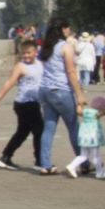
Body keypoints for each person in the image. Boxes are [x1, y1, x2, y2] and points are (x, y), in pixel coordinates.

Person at [33, 17, 86, 177]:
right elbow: (70, 72)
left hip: (45, 90)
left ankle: (46, 164)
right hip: (61, 91)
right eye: (68, 27)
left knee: (49, 128)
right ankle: (83, 162)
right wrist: (79, 95)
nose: (69, 30)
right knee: (73, 127)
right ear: (63, 29)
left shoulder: (46, 47)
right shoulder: (65, 47)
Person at [0, 38, 43, 170]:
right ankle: (39, 161)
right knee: (39, 131)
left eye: (28, 53)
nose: (26, 56)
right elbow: (9, 83)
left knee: (22, 132)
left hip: (34, 103)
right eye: (23, 53)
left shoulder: (41, 64)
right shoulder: (20, 66)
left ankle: (5, 157)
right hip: (24, 104)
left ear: (35, 52)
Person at [65, 92, 105, 179]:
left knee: (83, 155)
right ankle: (99, 172)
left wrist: (80, 104)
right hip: (93, 139)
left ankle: (71, 166)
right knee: (96, 156)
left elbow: (78, 111)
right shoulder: (96, 114)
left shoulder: (86, 112)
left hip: (84, 138)